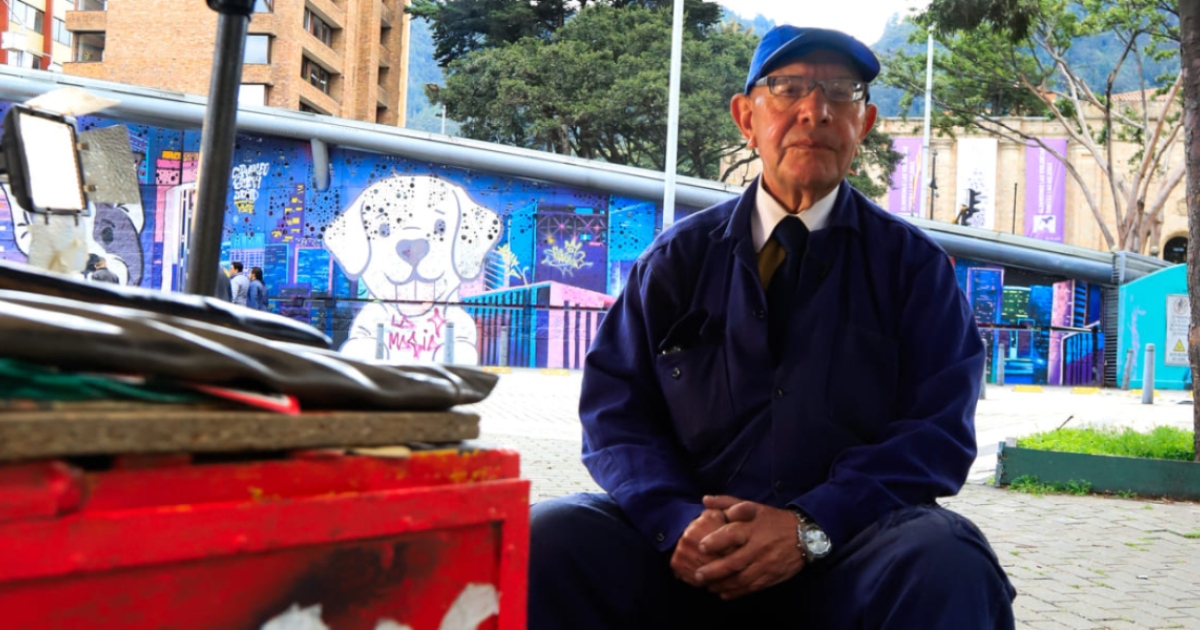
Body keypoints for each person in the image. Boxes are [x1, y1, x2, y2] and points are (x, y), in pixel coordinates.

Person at [528, 25, 1016, 629]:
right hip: (688, 557)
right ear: (746, 117)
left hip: (846, 555)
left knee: (948, 557)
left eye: (841, 92)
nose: (815, 111)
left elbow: (936, 433)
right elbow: (615, 414)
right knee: (545, 538)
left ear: (863, 124)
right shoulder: (676, 262)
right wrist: (675, 523)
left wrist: (811, 526)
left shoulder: (913, 270)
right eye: (788, 89)